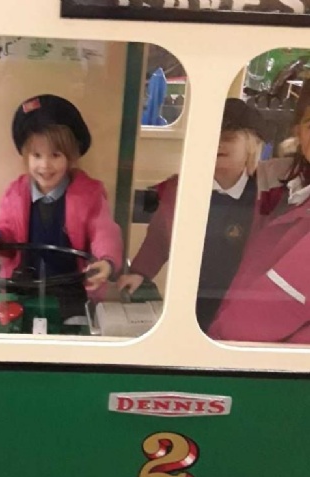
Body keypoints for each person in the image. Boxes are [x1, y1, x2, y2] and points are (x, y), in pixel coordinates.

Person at [117, 98, 270, 330]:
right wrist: (139, 272)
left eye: (228, 138)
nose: (218, 144)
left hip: (244, 297)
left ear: (252, 145)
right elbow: (159, 238)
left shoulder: (265, 193)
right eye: (212, 137)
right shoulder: (180, 189)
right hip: (192, 294)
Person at [0, 94, 122, 308]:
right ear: (26, 157)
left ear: (70, 157)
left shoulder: (90, 194)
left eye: (55, 155)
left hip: (71, 290)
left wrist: (106, 261)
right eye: (36, 155)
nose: (45, 165)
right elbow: (6, 228)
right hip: (23, 289)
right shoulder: (15, 192)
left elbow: (103, 230)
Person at [208, 80, 310, 344]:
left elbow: (271, 308)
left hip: (256, 351)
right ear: (298, 131)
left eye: (229, 138)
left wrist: (216, 341)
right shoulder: (285, 183)